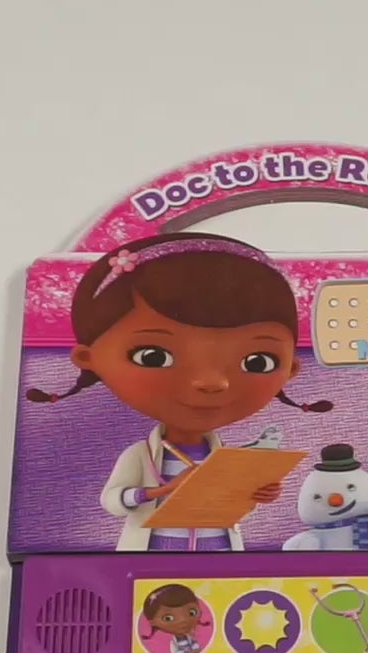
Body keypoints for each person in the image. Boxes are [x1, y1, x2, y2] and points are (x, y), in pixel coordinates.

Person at [26, 233, 331, 551]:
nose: (212, 383)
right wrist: (164, 491)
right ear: (88, 359)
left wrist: (254, 495)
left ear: (290, 370)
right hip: (152, 557)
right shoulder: (140, 455)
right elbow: (112, 501)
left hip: (220, 555)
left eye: (258, 361)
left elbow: (227, 508)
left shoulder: (228, 459)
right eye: (153, 356)